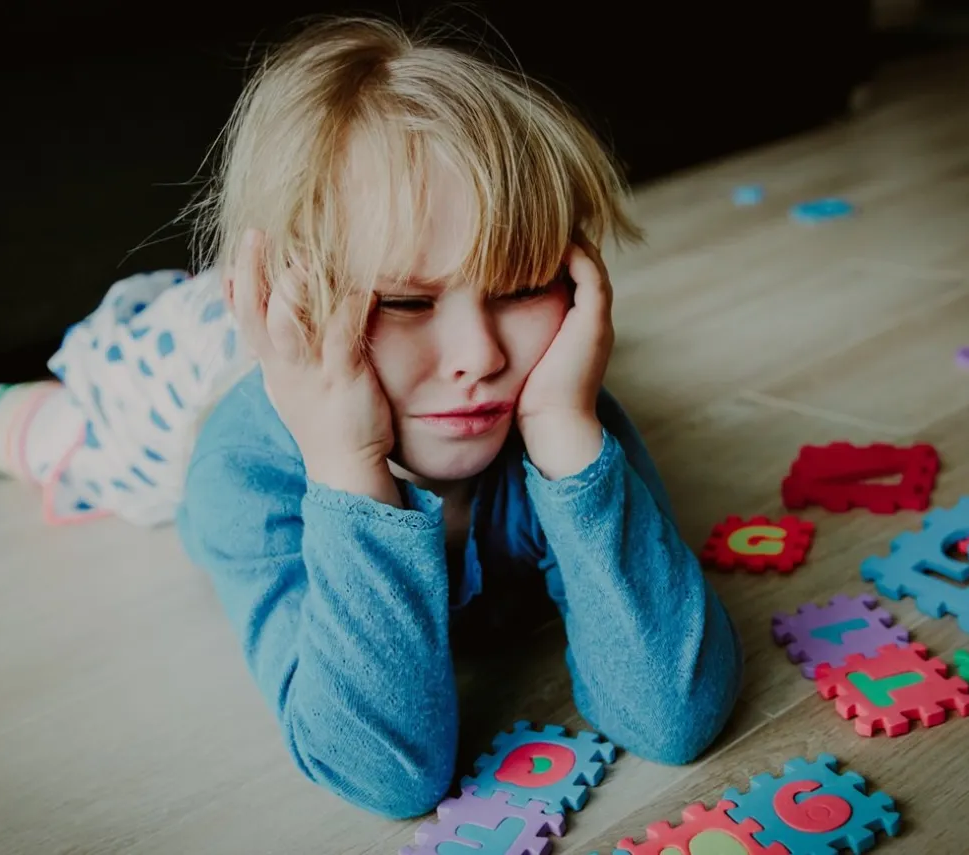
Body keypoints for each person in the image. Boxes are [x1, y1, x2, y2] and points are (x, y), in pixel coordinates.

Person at [175, 14, 744, 821]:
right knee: (88, 435)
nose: (480, 355)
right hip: (172, 369)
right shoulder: (241, 473)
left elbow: (673, 715)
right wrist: (348, 470)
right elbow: (387, 775)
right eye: (406, 301)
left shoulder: (561, 412)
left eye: (523, 287)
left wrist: (567, 435)